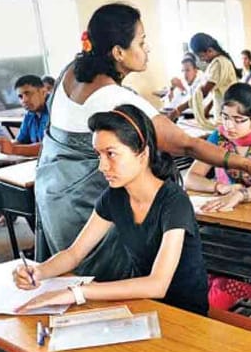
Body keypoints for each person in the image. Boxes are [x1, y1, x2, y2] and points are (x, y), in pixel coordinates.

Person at [35, 3, 251, 281]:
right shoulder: (113, 99)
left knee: (73, 273)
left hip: (52, 192)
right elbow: (186, 145)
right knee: (108, 277)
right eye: (141, 42)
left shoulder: (71, 72)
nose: (147, 48)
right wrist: (245, 163)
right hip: (84, 202)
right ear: (118, 52)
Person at [15, 105, 209, 316]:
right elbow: (74, 254)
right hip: (143, 303)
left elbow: (158, 284)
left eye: (111, 154)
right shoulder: (114, 197)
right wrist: (39, 271)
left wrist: (79, 292)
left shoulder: (175, 201)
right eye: (99, 155)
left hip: (186, 312)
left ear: (142, 154)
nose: (102, 166)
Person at [184, 83, 251, 310]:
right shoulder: (218, 138)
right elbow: (191, 178)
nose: (229, 125)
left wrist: (240, 195)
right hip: (228, 220)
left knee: (216, 297)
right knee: (195, 276)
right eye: (225, 117)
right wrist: (219, 187)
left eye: (238, 119)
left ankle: (225, 298)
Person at [171, 33, 239, 129]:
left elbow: (202, 93)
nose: (201, 60)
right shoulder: (223, 61)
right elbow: (219, 91)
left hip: (227, 118)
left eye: (201, 56)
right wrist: (208, 108)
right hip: (226, 115)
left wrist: (178, 110)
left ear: (210, 50)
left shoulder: (218, 64)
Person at [0, 75, 48, 157]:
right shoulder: (30, 114)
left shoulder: (57, 111)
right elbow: (20, 141)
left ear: (43, 92)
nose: (24, 100)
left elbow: (50, 147)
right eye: (20, 96)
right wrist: (4, 145)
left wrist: (13, 149)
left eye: (28, 93)